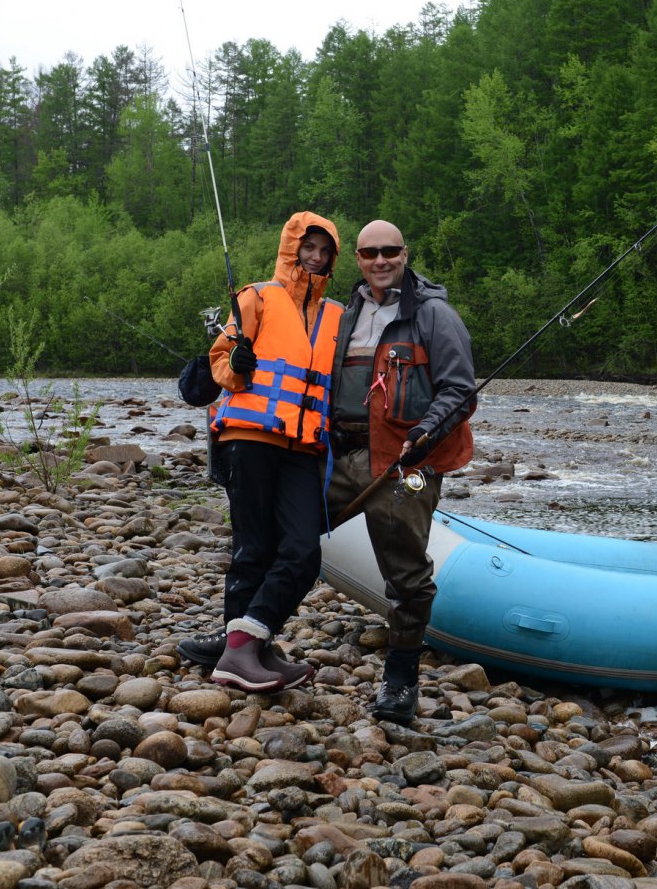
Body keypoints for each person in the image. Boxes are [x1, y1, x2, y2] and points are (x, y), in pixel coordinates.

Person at [177, 211, 342, 693]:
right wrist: (235, 361)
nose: (314, 256)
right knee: (253, 549)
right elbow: (217, 363)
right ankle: (248, 654)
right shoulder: (257, 297)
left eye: (323, 250)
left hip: (302, 446)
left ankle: (245, 644)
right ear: (291, 249)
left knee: (301, 551)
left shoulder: (337, 316)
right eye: (307, 247)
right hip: (247, 438)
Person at [326, 220, 476, 724]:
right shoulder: (345, 313)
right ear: (359, 260)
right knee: (287, 537)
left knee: (407, 576)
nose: (380, 260)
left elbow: (459, 391)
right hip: (341, 458)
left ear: (405, 254)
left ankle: (401, 678)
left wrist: (426, 433)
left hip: (406, 461)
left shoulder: (434, 315)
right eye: (370, 253)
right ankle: (249, 640)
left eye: (390, 251)